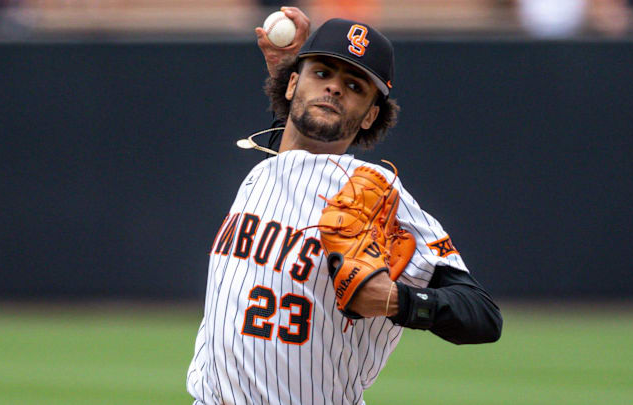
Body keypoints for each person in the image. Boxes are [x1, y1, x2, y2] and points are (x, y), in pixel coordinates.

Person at [187, 8, 502, 405]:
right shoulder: (263, 175)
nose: (334, 88)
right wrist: (287, 71)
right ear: (291, 86)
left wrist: (399, 302)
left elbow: (483, 317)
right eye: (323, 74)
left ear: (371, 115)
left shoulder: (375, 192)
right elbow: (292, 151)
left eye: (354, 85)